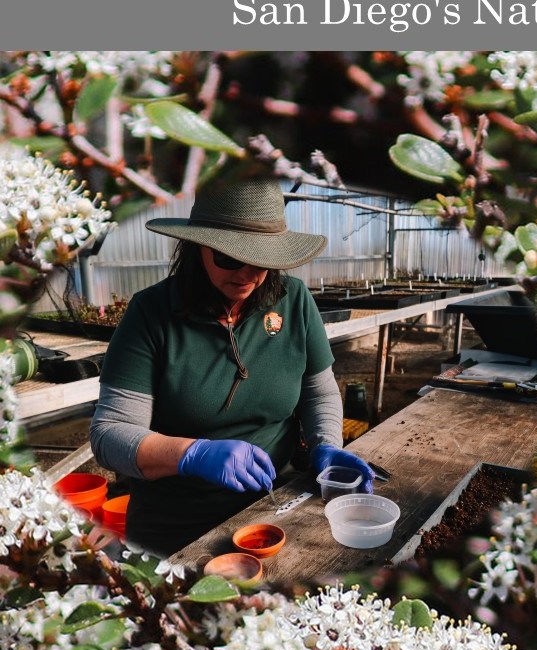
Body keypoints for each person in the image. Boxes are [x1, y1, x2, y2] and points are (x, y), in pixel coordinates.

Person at [90, 180, 373, 556]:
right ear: (197, 248)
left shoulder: (293, 300)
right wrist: (193, 455)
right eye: (228, 257)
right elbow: (110, 435)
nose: (247, 275)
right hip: (177, 528)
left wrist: (326, 446)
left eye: (262, 261)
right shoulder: (151, 315)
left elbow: (318, 390)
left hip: (275, 507)